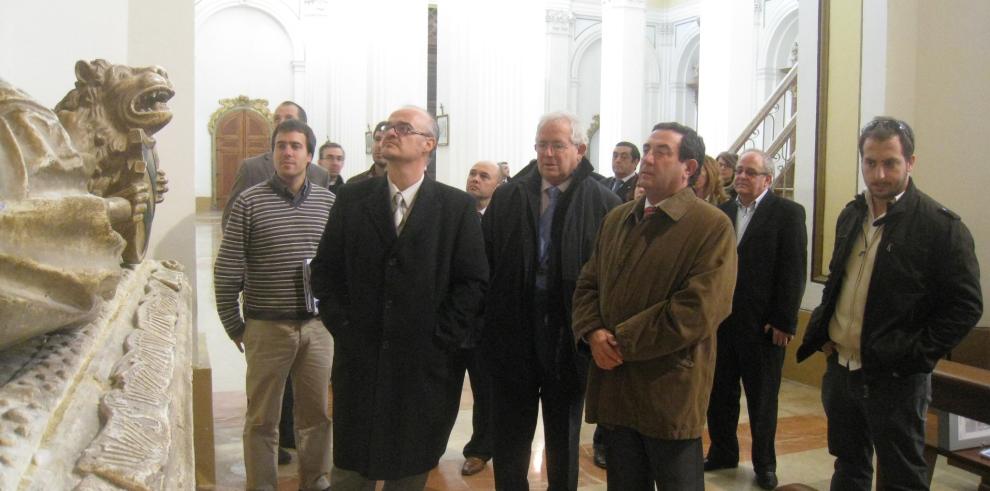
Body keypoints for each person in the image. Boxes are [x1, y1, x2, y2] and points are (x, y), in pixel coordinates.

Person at [797, 117, 982, 490]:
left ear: (910, 162)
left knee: (901, 476)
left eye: (890, 163)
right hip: (842, 369)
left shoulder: (940, 227)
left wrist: (913, 354)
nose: (879, 174)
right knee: (849, 466)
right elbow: (839, 280)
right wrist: (825, 331)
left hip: (895, 379)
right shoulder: (852, 214)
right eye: (870, 162)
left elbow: (965, 306)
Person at [310, 106, 488, 490]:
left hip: (421, 366)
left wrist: (440, 339)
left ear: (429, 144)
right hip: (362, 358)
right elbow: (324, 271)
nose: (391, 132)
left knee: (409, 469)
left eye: (403, 128)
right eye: (389, 126)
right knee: (350, 471)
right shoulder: (353, 198)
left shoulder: (455, 208)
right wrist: (343, 326)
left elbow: (472, 283)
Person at [571, 122, 737, 491]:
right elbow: (588, 283)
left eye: (661, 151)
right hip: (617, 386)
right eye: (646, 149)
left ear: (688, 168)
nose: (647, 158)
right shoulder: (618, 218)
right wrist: (593, 332)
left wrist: (619, 342)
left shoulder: (711, 226)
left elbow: (699, 309)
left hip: (669, 389)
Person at [482, 111, 620, 490]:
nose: (548, 153)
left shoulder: (603, 203)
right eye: (542, 144)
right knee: (510, 432)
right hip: (515, 331)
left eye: (557, 145)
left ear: (579, 149)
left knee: (564, 432)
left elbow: (610, 275)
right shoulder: (509, 196)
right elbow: (485, 262)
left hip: (568, 334)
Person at [214, 118, 334, 491]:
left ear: (309, 156)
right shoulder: (250, 202)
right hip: (267, 326)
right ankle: (262, 484)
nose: (287, 152)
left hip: (317, 328)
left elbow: (343, 266)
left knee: (316, 416)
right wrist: (235, 325)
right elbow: (227, 268)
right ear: (272, 153)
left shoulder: (330, 203)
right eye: (281, 145)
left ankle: (316, 481)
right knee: (262, 419)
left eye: (296, 146)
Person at [704, 149, 807, 490]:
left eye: (751, 172)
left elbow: (793, 270)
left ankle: (764, 463)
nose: (742, 177)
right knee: (720, 394)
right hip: (723, 322)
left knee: (762, 400)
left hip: (763, 326)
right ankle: (722, 451)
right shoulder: (722, 211)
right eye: (740, 171)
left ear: (768, 179)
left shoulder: (787, 213)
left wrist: (785, 321)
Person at [457, 160, 502, 476]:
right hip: (451, 318)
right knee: (440, 388)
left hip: (485, 323)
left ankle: (480, 449)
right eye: (472, 173)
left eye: (484, 176)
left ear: (497, 185)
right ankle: (427, 447)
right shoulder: (453, 213)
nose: (475, 179)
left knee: (485, 391)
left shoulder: (502, 220)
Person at [222, 101, 331, 229]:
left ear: (303, 125)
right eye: (277, 118)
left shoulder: (320, 174)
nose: (281, 122)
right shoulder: (251, 168)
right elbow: (231, 218)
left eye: (288, 118)